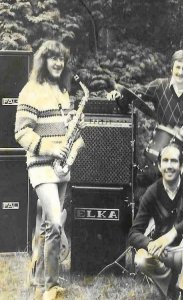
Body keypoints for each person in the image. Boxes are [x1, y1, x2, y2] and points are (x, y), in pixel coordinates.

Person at [15, 40, 84, 300]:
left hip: (61, 168)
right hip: (41, 166)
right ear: (42, 61)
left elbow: (70, 132)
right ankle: (52, 286)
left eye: (61, 59)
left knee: (44, 226)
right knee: (55, 223)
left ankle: (37, 283)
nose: (58, 63)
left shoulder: (63, 91)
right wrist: (50, 148)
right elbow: (21, 132)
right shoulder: (30, 90)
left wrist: (74, 136)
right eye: (52, 58)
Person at [128, 143, 183, 300]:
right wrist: (149, 244)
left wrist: (174, 232)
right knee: (140, 258)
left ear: (181, 165)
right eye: (165, 161)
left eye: (173, 161)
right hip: (163, 253)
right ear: (159, 166)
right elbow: (133, 233)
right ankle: (170, 287)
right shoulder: (151, 192)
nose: (169, 166)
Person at [108, 49, 183, 138]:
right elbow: (132, 95)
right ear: (172, 69)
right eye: (178, 67)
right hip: (161, 146)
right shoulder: (159, 86)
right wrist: (118, 94)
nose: (180, 72)